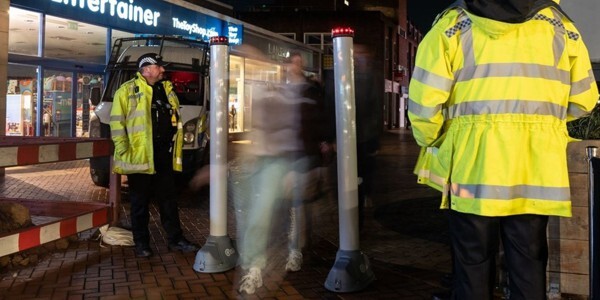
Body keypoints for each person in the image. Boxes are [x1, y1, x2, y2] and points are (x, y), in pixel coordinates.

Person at [408, 0, 599, 299]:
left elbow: (423, 106)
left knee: (472, 262)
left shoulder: (453, 26)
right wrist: (543, 124)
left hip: (472, 170)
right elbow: (584, 100)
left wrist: (433, 138)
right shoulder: (562, 27)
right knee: (529, 261)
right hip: (536, 169)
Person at [109, 53, 199, 258]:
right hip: (138, 156)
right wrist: (123, 149)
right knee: (139, 201)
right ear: (146, 69)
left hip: (162, 155)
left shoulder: (167, 90)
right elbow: (117, 122)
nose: (163, 70)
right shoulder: (126, 91)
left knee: (168, 200)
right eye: (159, 67)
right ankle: (142, 243)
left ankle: (176, 239)